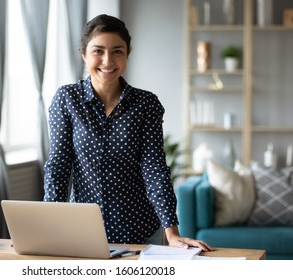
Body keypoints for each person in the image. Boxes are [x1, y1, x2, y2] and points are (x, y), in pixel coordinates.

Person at [44, 14, 214, 251]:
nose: (107, 60)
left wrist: (172, 233)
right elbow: (59, 165)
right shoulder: (67, 99)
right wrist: (46, 228)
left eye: (117, 51)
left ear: (127, 54)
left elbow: (154, 167)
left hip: (141, 233)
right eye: (98, 51)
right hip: (81, 231)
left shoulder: (146, 103)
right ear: (83, 54)